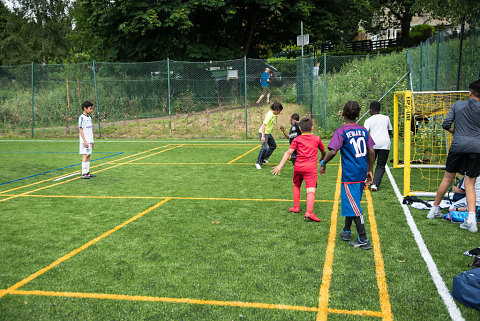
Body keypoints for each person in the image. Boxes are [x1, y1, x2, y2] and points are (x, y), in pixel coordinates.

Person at [320, 101, 375, 249]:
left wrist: (323, 163)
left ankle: (363, 238)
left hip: (351, 175)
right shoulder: (363, 131)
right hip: (362, 172)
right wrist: (370, 170)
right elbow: (371, 151)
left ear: (343, 113)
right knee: (352, 201)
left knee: (354, 205)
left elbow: (332, 151)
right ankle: (346, 230)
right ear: (358, 114)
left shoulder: (341, 131)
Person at [427, 79, 480, 233]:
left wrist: (455, 132)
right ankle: (471, 219)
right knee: (470, 184)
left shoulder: (458, 105)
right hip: (476, 148)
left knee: (447, 179)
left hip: (457, 146)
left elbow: (446, 124)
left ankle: (434, 210)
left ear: (470, 92)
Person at [272, 117, 326, 222]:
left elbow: (288, 153)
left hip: (298, 167)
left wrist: (280, 165)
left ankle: (296, 207)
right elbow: (323, 151)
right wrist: (322, 158)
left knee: (296, 185)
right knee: (311, 189)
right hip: (310, 168)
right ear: (312, 128)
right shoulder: (317, 139)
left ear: (300, 129)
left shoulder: (297, 139)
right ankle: (309, 212)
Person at [363, 101, 393, 191]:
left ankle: (367, 180)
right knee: (380, 165)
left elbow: (365, 133)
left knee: (369, 162)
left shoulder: (368, 120)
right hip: (385, 144)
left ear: (371, 110)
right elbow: (390, 131)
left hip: (372, 144)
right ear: (379, 109)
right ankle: (375, 185)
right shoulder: (386, 118)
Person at [255, 101, 283, 169]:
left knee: (273, 146)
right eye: (279, 111)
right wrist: (263, 137)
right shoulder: (269, 115)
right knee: (264, 148)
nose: (280, 112)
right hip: (263, 133)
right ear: (276, 109)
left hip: (268, 133)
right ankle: (258, 162)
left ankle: (264, 158)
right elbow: (264, 125)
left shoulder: (273, 114)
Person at [78, 101, 96, 179]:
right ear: (85, 108)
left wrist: (92, 141)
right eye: (90, 108)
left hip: (89, 140)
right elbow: (80, 129)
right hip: (84, 141)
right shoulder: (82, 118)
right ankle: (83, 173)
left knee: (88, 155)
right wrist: (84, 141)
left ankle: (87, 172)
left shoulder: (89, 117)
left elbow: (90, 130)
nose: (91, 110)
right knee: (85, 155)